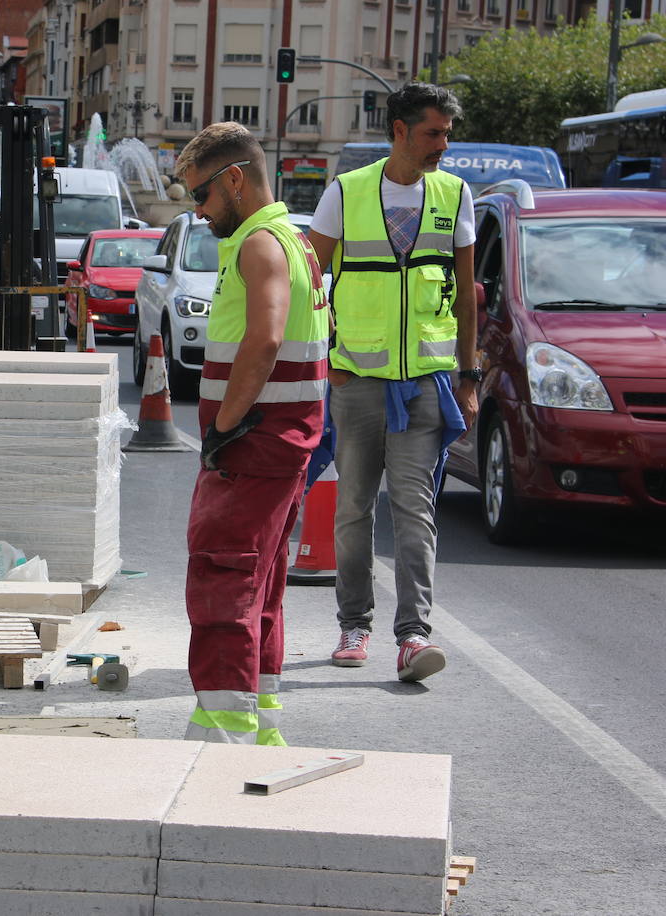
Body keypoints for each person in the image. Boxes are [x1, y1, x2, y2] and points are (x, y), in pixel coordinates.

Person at [306, 83, 478, 683]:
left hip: (426, 385)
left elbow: (466, 295)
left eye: (448, 133)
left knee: (415, 510)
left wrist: (469, 375)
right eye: (434, 132)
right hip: (357, 384)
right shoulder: (346, 194)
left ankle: (413, 637)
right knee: (353, 510)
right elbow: (309, 280)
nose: (443, 145)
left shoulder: (456, 195)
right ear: (400, 130)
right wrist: (327, 359)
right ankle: (354, 624)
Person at [176, 122, 330, 745]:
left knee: (223, 579)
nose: (199, 210)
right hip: (283, 443)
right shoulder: (294, 241)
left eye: (202, 195)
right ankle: (260, 727)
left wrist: (225, 427)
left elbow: (264, 341)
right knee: (260, 583)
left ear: (234, 179)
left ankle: (224, 734)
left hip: (253, 445)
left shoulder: (259, 245)